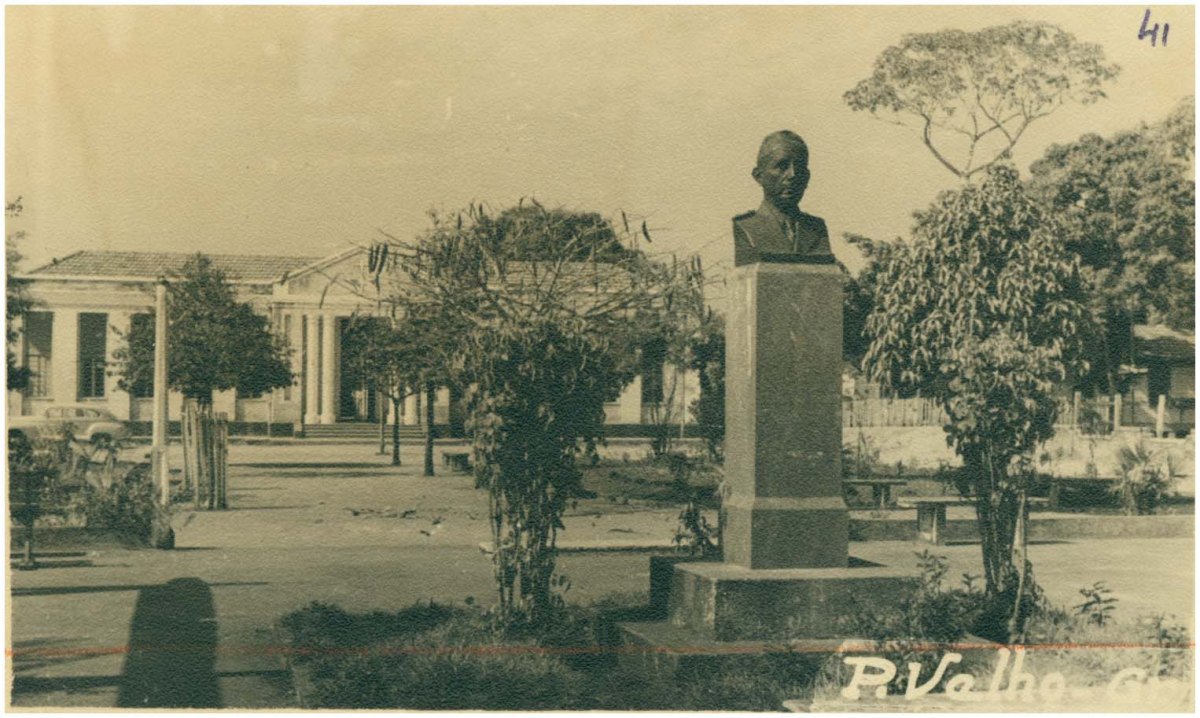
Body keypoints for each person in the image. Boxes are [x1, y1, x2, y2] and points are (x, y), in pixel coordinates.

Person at [733, 130, 833, 266]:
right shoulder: (747, 227)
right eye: (782, 166)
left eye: (799, 167)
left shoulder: (816, 229)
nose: (792, 174)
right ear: (758, 176)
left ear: (807, 177)